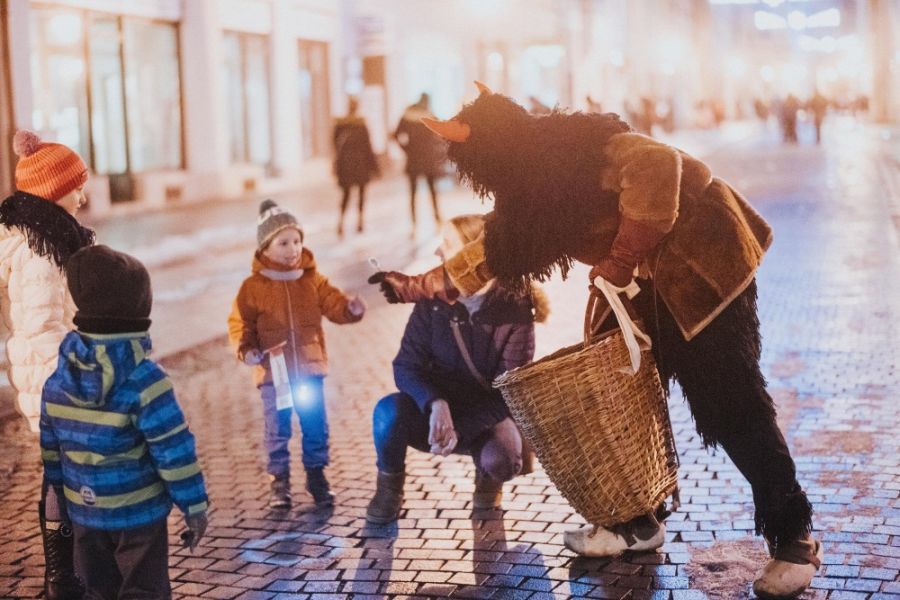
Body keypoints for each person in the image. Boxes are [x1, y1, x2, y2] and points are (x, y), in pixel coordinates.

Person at [371, 82, 821, 599]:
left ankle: (794, 538)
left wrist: (620, 256)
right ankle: (636, 520)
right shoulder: (529, 192)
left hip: (704, 266)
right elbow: (491, 249)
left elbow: (658, 169)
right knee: (614, 394)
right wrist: (416, 286)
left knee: (729, 403)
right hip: (645, 284)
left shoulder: (587, 147)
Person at [40, 245, 209, 600]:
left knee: (98, 592)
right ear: (138, 309)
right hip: (139, 515)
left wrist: (64, 496)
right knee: (144, 591)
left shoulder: (57, 382)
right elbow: (174, 452)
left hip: (85, 513)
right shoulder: (146, 380)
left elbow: (52, 453)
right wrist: (193, 506)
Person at [365, 214, 545, 524]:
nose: (438, 252)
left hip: (483, 419)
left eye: (447, 245)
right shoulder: (433, 301)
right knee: (387, 414)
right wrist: (435, 403)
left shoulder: (515, 312)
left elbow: (511, 393)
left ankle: (488, 484)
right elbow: (406, 366)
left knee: (503, 457)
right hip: (434, 413)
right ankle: (389, 489)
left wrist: (459, 428)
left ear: (472, 258)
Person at [0, 129, 95, 599]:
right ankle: (62, 576)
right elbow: (42, 327)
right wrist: (78, 365)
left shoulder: (51, 238)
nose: (85, 193)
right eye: (78, 184)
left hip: (52, 372)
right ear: (58, 191)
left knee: (63, 470)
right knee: (60, 472)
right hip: (51, 376)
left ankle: (70, 571)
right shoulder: (41, 251)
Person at [228, 199, 366, 509]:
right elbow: (241, 324)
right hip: (273, 374)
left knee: (315, 424)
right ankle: (280, 481)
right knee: (277, 427)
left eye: (297, 240)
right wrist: (246, 349)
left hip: (309, 368)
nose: (292, 248)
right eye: (283, 242)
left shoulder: (312, 279)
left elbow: (334, 304)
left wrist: (349, 309)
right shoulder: (253, 287)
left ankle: (317, 475)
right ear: (265, 247)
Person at [393, 93, 447, 235]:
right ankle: (437, 219)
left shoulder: (407, 115)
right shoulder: (430, 114)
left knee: (413, 193)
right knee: (432, 191)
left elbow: (395, 135)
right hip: (428, 159)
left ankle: (414, 223)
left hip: (413, 159)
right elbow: (440, 135)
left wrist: (407, 149)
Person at [333, 97, 379, 236]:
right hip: (360, 163)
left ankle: (341, 222)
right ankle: (360, 221)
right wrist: (375, 167)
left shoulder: (340, 124)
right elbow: (368, 147)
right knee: (361, 194)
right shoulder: (361, 124)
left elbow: (335, 146)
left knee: (345, 195)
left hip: (345, 164)